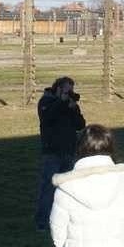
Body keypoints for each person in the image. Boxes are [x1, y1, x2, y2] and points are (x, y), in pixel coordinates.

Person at [36, 76, 86, 230]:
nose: (70, 93)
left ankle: (65, 220)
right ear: (58, 88)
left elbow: (80, 125)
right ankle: (42, 222)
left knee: (68, 188)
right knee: (48, 188)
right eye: (67, 90)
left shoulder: (69, 104)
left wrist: (72, 108)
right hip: (52, 151)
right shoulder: (46, 102)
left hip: (69, 150)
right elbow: (48, 118)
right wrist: (61, 101)